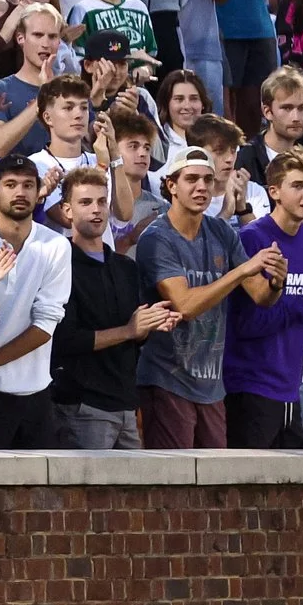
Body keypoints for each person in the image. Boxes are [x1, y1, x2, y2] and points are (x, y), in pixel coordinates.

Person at [137, 149, 280, 448]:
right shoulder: (156, 237)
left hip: (212, 384)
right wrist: (240, 271)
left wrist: (277, 283)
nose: (201, 187)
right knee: (176, 480)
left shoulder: (220, 231)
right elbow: (185, 306)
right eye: (191, 179)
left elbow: (260, 296)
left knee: (215, 482)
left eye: (207, 179)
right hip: (167, 378)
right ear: (171, 185)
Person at [222, 147, 303, 448]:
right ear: (274, 191)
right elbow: (247, 324)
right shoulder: (252, 239)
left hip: (293, 388)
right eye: (298, 185)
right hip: (249, 387)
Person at [49, 167, 174, 450]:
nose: (96, 210)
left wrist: (152, 323)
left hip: (126, 405)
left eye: (102, 202)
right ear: (67, 211)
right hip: (82, 406)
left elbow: (138, 333)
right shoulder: (59, 264)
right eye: (85, 202)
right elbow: (66, 339)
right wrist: (129, 331)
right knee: (86, 493)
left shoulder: (126, 267)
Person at [0, 164, 72, 449]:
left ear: (38, 193)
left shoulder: (56, 245)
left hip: (35, 389)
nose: (20, 192)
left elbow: (46, 325)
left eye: (28, 185)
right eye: (11, 184)